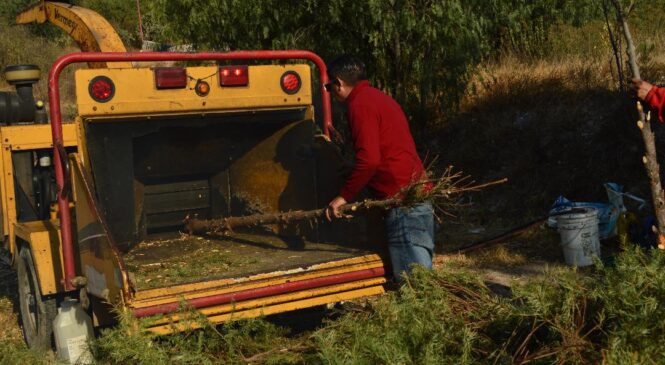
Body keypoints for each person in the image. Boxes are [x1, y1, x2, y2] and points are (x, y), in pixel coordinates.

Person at [323, 55, 434, 281]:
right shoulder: (376, 97)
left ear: (339, 82)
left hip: (402, 201)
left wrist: (343, 196)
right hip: (413, 194)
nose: (329, 92)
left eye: (328, 86)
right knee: (421, 279)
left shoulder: (359, 105)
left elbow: (370, 159)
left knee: (414, 284)